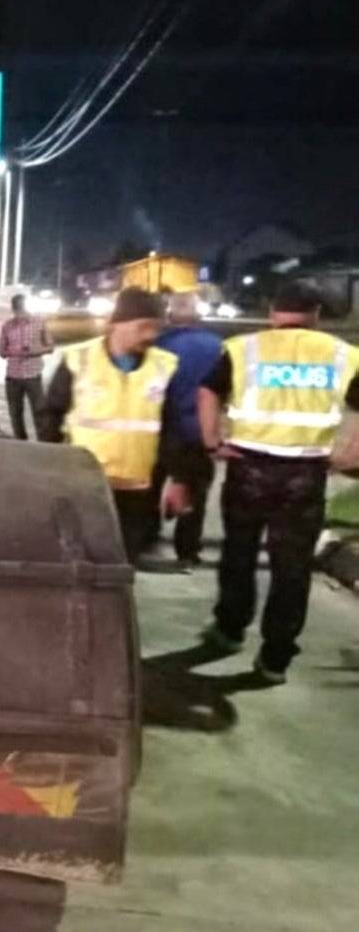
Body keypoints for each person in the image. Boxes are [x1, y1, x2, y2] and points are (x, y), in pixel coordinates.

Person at [197, 280, 359, 684]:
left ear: (273, 312)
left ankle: (230, 630)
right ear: (317, 315)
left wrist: (213, 440)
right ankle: (275, 658)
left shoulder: (244, 348)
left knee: (239, 554)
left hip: (247, 467)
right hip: (305, 474)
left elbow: (207, 392)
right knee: (292, 568)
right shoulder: (344, 355)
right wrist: (352, 455)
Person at [37, 287, 192, 564]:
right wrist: (52, 471)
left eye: (156, 328)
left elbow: (172, 429)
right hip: (86, 487)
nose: (151, 335)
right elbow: (50, 417)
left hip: (138, 492)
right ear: (116, 323)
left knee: (122, 567)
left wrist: (179, 479)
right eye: (143, 326)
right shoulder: (79, 360)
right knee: (82, 562)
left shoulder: (163, 366)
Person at [145, 291, 223, 567]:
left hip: (158, 428)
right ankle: (187, 549)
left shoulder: (156, 345)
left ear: (169, 315)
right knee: (195, 491)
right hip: (198, 429)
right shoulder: (217, 346)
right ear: (197, 314)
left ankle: (147, 537)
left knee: (149, 486)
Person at [0, 293, 54, 439]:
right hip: (13, 376)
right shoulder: (8, 326)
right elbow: (1, 351)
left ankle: (43, 441)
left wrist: (33, 351)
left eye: (21, 310)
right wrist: (13, 352)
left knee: (39, 411)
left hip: (33, 375)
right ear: (13, 309)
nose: (19, 314)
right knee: (15, 413)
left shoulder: (39, 323)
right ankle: (21, 441)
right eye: (17, 311)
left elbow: (50, 347)